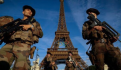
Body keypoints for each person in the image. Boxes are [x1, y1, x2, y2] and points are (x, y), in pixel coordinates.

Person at [0, 5, 43, 70]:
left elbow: (41, 34)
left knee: (21, 67)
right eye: (28, 10)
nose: (30, 11)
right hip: (9, 44)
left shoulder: (35, 23)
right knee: (1, 64)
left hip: (23, 45)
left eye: (31, 11)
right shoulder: (15, 22)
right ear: (23, 12)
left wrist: (31, 27)